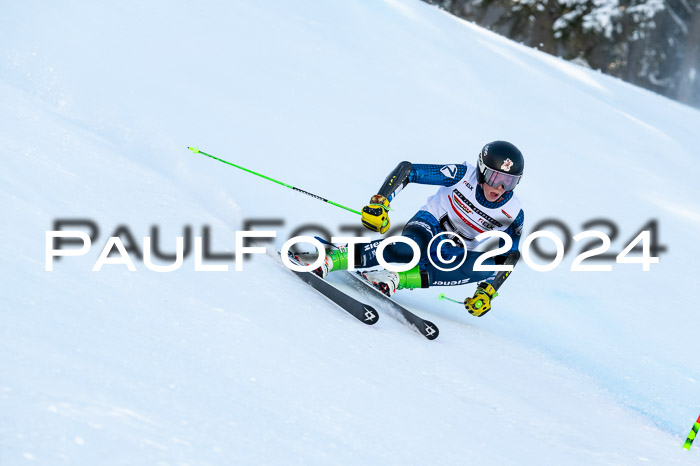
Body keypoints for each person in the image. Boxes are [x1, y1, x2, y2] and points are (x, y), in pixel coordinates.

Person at [314, 140, 524, 317]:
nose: (500, 188)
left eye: (509, 182)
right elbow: (409, 170)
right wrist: (380, 203)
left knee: (485, 266)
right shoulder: (461, 175)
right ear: (481, 171)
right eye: (495, 178)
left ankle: (396, 277)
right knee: (409, 249)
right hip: (429, 224)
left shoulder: (513, 213)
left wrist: (488, 291)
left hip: (452, 250)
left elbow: (508, 256)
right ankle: (335, 256)